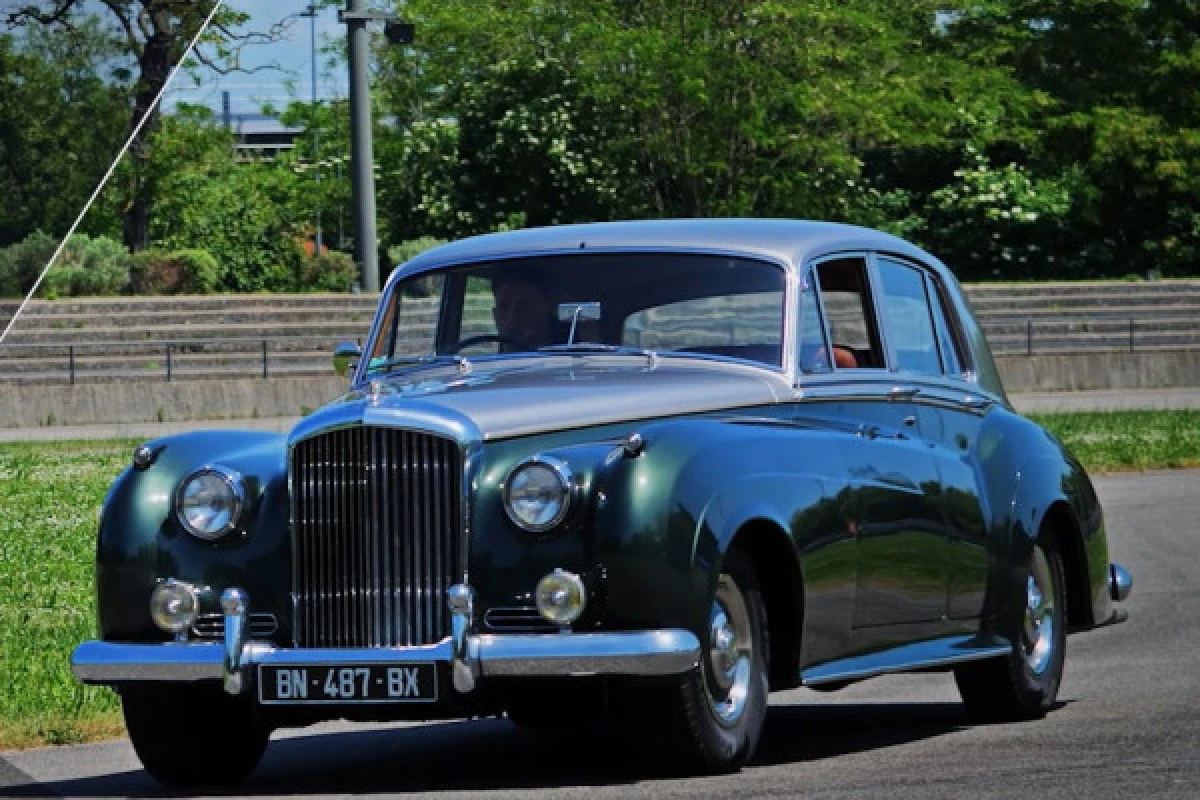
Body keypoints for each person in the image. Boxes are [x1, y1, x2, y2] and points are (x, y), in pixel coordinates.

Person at [491, 272, 556, 352]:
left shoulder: (568, 357)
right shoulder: (483, 362)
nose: (512, 319)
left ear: (545, 309)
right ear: (495, 314)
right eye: (504, 308)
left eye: (524, 308)